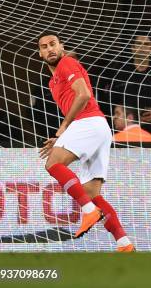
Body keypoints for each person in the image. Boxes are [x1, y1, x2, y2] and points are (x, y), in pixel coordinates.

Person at [36, 30, 133, 252]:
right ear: (40, 54)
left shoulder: (67, 63)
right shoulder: (52, 82)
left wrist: (63, 128)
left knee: (53, 165)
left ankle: (88, 211)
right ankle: (124, 243)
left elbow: (84, 95)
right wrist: (65, 134)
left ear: (62, 47)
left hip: (88, 122)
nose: (50, 49)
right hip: (97, 128)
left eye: (53, 44)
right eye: (44, 47)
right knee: (92, 193)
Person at [107, 34, 151, 140]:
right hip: (127, 131)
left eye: (146, 44)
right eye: (139, 44)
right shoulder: (120, 72)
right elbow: (110, 101)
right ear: (133, 48)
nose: (142, 47)